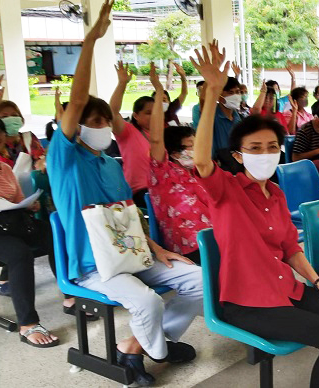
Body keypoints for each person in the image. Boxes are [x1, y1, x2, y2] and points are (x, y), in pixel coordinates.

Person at [192, 42, 319, 388]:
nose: (265, 153)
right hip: (247, 302)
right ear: (239, 156)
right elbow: (201, 161)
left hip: (286, 288)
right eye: (254, 148)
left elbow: (291, 249)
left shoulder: (275, 194)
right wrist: (212, 93)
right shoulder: (225, 190)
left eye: (272, 147)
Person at [48, 7, 203, 385]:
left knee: (200, 280)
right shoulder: (63, 160)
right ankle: (150, 349)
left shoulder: (110, 164)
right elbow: (79, 95)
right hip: (92, 267)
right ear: (74, 125)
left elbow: (127, 215)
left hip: (133, 252)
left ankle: (141, 345)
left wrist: (157, 248)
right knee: (147, 300)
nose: (100, 127)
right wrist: (90, 42)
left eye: (104, 121)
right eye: (91, 121)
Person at [0, 115, 59, 348]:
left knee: (55, 233)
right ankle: (28, 324)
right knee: (19, 253)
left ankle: (70, 295)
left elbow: (19, 200)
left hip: (13, 222)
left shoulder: (7, 168)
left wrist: (31, 204)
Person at [147, 66, 212, 265]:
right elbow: (156, 139)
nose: (196, 150)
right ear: (174, 152)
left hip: (214, 234)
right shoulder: (162, 171)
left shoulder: (196, 171)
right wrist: (159, 93)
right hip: (188, 243)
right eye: (190, 146)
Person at [109, 61, 155, 208]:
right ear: (136, 115)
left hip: (159, 189)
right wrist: (122, 83)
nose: (153, 116)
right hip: (140, 192)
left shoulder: (159, 135)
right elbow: (112, 112)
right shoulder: (128, 131)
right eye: (148, 113)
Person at [0, 100, 45, 169]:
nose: (10, 119)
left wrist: (42, 163)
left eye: (14, 115)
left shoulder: (29, 138)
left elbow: (40, 159)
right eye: (4, 116)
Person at [152, 62, 188, 126]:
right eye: (158, 100)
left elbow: (184, 93)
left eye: (164, 100)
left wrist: (183, 76)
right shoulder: (150, 117)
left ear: (169, 102)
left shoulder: (172, 108)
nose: (161, 103)